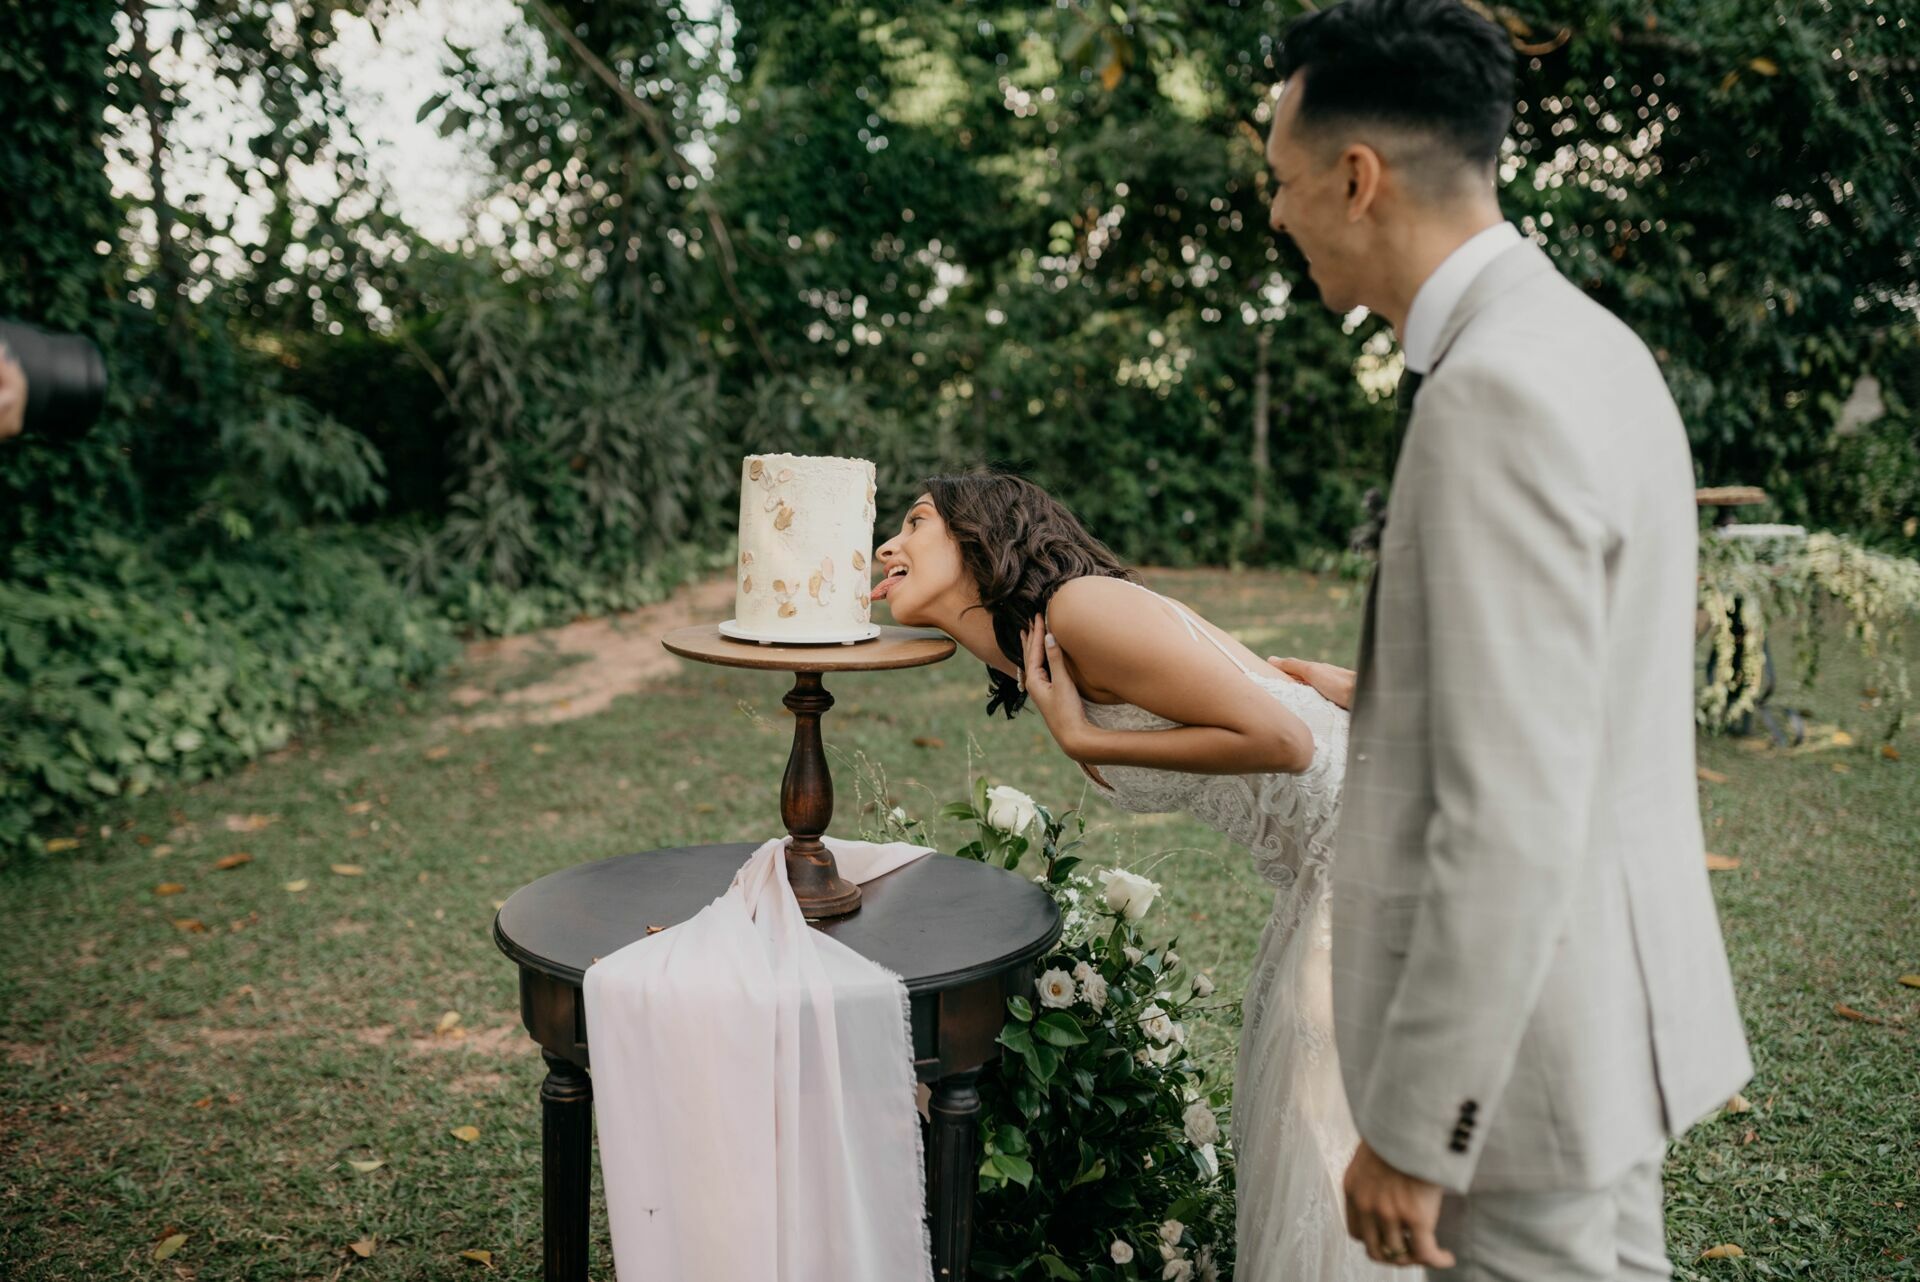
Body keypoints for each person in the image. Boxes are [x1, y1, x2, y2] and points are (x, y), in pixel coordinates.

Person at [1262, 1, 1752, 1277]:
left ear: (1357, 178)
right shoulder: (1590, 346)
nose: (1274, 213)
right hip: (1591, 1039)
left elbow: (1511, 806)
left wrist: (1421, 1130)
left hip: (1523, 1083)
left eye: (1281, 178)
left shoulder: (1493, 394)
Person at [873, 471, 1407, 1281]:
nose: (889, 544)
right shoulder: (1043, 651)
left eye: (914, 522)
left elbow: (1286, 743)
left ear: (981, 533)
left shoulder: (1082, 609)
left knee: (1341, 1133)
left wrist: (1091, 743)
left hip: (1379, 846)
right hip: (1325, 866)